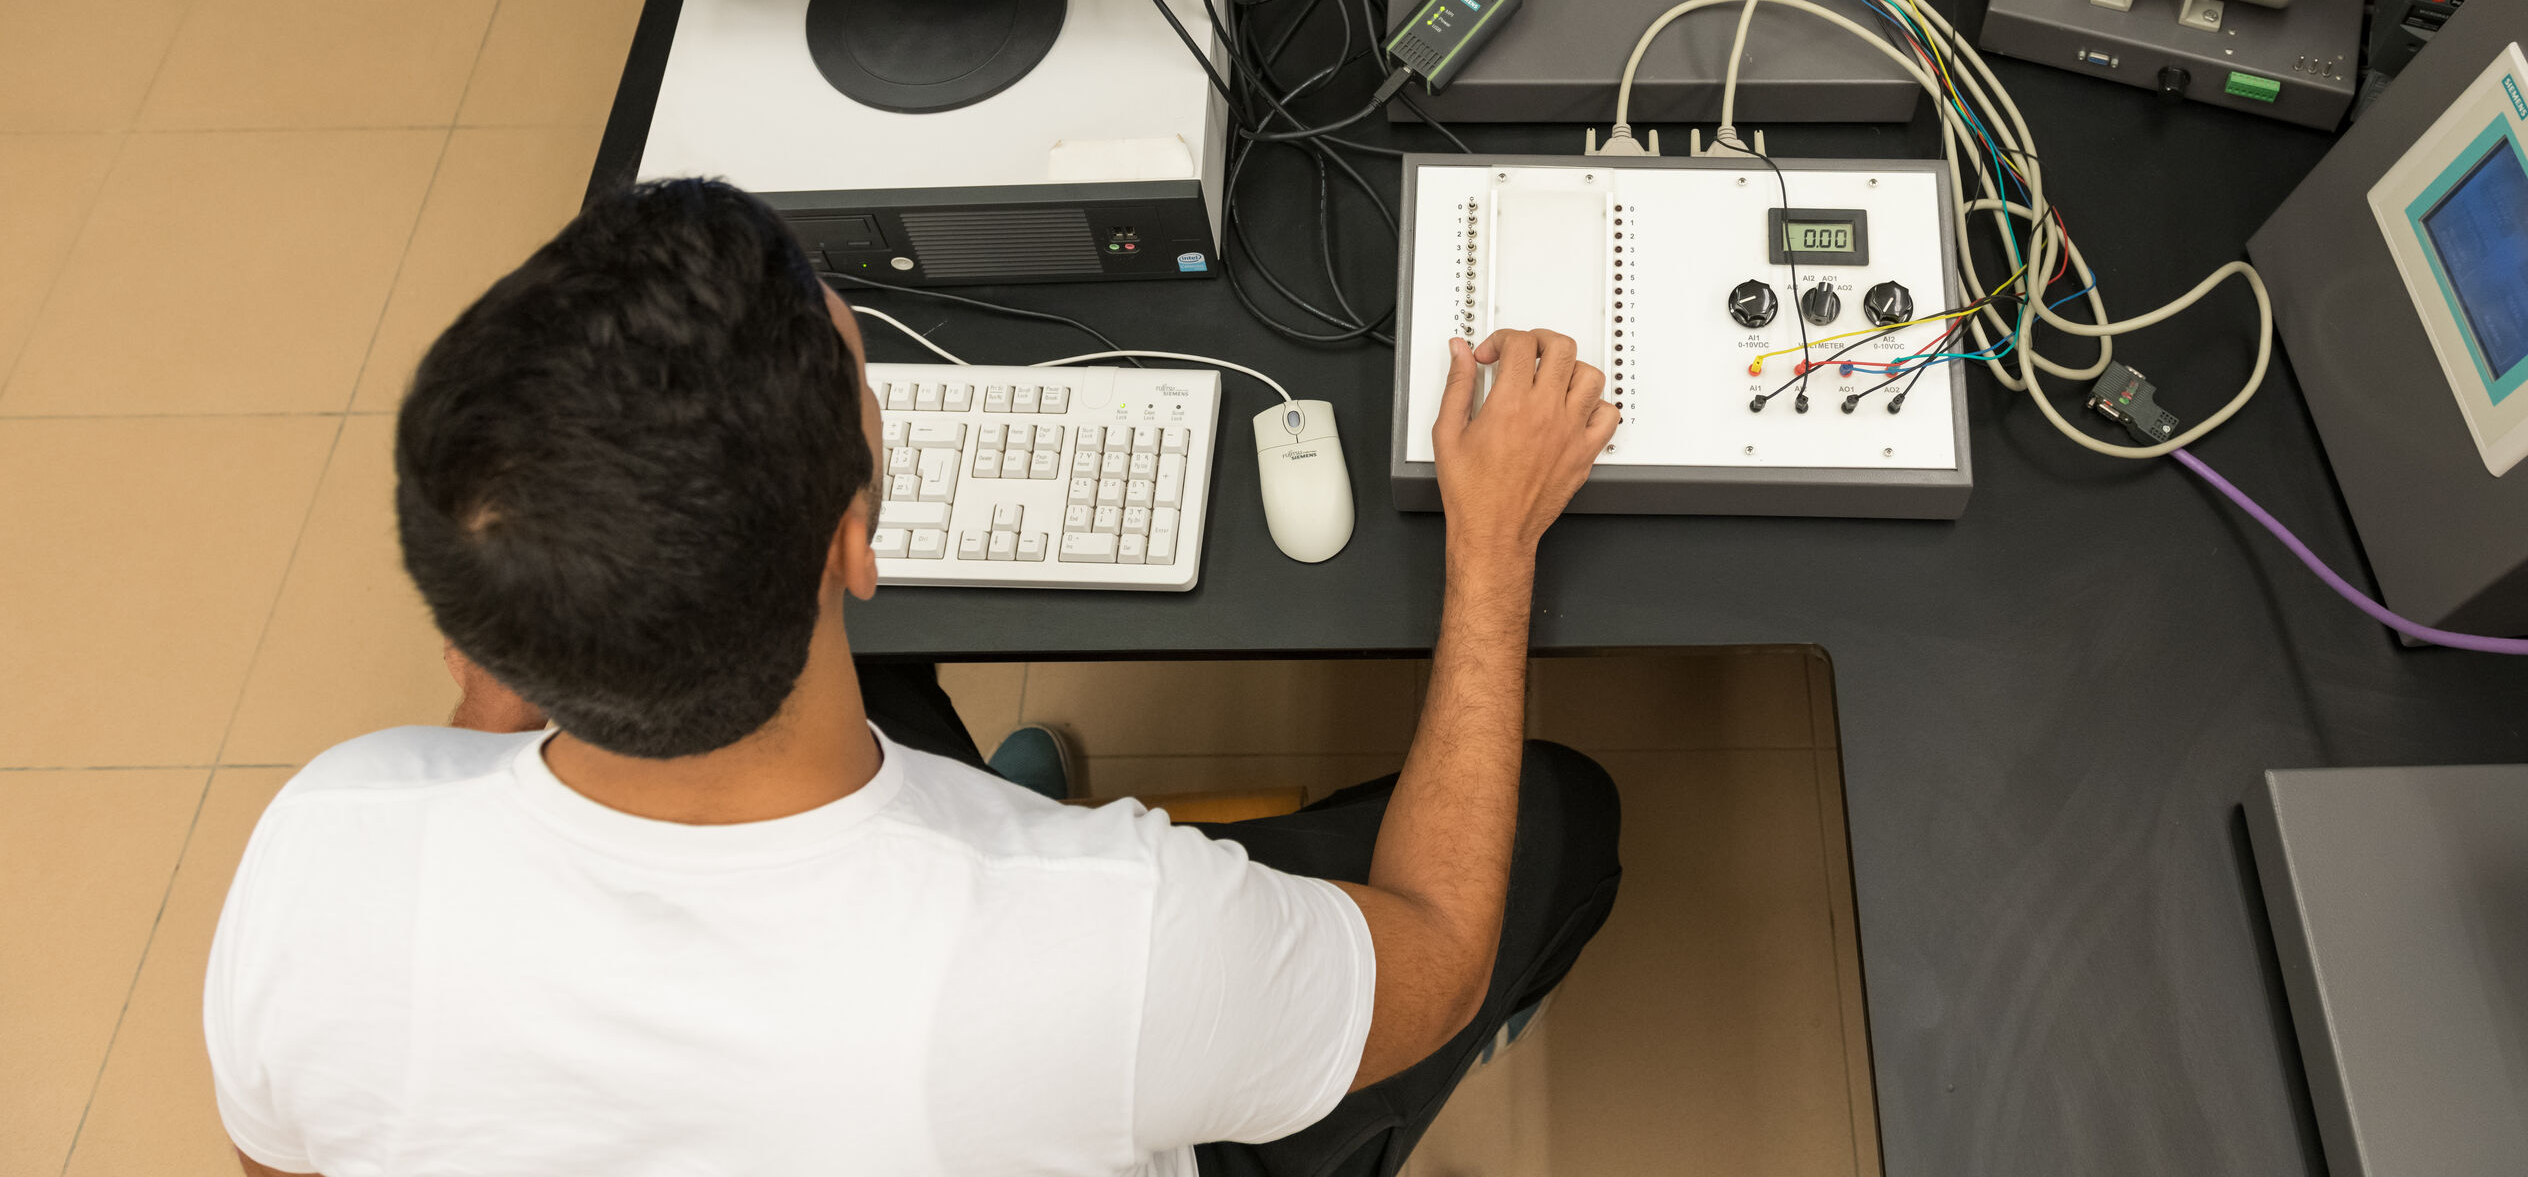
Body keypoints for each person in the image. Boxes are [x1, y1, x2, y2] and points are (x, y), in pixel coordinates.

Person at [204, 177, 1623, 1177]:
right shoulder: (1107, 933)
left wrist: (544, 609)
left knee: (892, 717)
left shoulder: (325, 855)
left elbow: (286, 1159)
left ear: (467, 633)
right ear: (856, 542)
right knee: (1561, 818)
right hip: (1108, 1043)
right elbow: (1431, 960)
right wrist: (1491, 546)